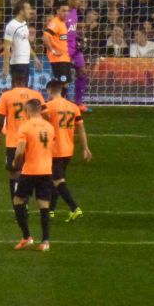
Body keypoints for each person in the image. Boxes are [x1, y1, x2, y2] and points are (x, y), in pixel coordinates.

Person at [11, 99, 55, 252]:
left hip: (30, 171)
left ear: (28, 111)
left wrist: (15, 163)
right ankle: (45, 241)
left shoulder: (25, 127)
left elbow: (21, 150)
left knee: (17, 200)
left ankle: (26, 237)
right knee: (44, 205)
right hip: (47, 170)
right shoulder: (50, 127)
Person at [0, 73, 46, 202]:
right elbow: (45, 115)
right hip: (33, 140)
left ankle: (18, 203)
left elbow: (0, 120)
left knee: (14, 174)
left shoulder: (6, 96)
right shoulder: (36, 95)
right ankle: (28, 200)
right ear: (27, 82)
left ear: (13, 82)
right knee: (29, 171)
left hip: (14, 141)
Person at [45, 80, 91, 222]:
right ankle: (51, 210)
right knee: (55, 180)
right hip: (68, 149)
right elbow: (81, 129)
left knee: (58, 180)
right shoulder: (74, 107)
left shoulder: (47, 107)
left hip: (55, 149)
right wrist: (85, 148)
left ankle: (74, 208)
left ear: (49, 91)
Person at [1, 0, 42, 83]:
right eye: (28, 9)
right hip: (17, 63)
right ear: (21, 11)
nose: (30, 11)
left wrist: (35, 57)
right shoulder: (11, 25)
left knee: (23, 90)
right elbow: (6, 47)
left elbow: (26, 42)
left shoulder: (24, 24)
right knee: (18, 90)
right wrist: (6, 67)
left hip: (25, 62)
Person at [65, 0, 90, 112]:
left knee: (83, 73)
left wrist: (78, 38)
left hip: (76, 49)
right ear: (69, 0)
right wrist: (67, 39)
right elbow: (59, 35)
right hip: (65, 50)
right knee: (64, 78)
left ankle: (78, 102)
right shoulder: (62, 14)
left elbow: (72, 31)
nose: (79, 2)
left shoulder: (75, 12)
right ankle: (62, 102)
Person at [44, 1, 72, 85]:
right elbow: (45, 37)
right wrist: (52, 51)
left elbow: (62, 39)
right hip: (58, 59)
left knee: (65, 84)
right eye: (63, 11)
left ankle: (63, 98)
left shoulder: (63, 23)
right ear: (58, 11)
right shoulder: (55, 22)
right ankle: (59, 98)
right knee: (61, 84)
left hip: (65, 58)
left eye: (68, 11)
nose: (66, 13)